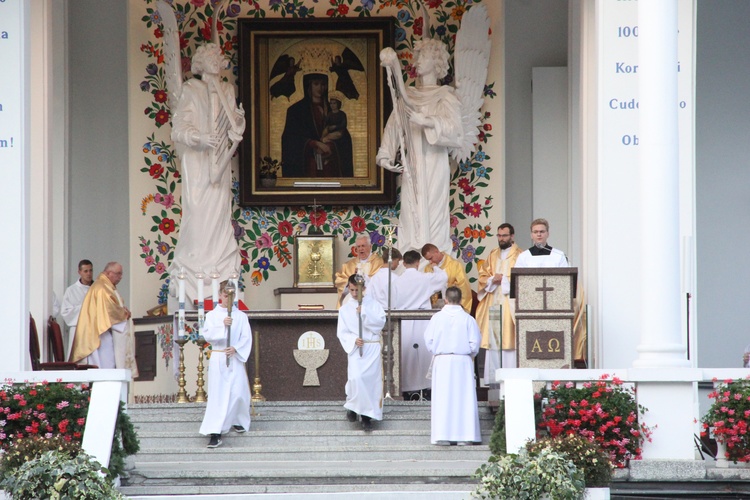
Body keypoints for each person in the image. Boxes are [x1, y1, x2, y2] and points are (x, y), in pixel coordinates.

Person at [169, 43, 245, 303]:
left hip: (219, 164)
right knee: (199, 215)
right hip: (198, 163)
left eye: (218, 56)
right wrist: (200, 137)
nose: (216, 59)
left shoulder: (227, 90)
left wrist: (236, 130)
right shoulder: (191, 89)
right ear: (200, 62)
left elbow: (233, 123)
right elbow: (177, 129)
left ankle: (221, 273)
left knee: (221, 214)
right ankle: (195, 270)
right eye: (210, 56)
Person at [376, 39, 463, 254]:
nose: (418, 62)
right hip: (413, 163)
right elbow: (394, 124)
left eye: (423, 56)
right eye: (418, 57)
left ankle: (435, 256)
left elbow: (456, 133)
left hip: (434, 161)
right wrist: (386, 153)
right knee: (411, 209)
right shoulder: (409, 95)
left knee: (434, 209)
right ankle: (412, 256)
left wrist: (426, 121)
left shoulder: (445, 96)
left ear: (436, 61)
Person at [424, 286, 482, 445]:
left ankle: (443, 435)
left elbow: (428, 341)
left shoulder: (437, 318)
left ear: (446, 300)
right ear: (461, 300)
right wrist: (466, 353)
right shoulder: (468, 319)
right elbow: (475, 343)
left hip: (442, 362)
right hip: (463, 362)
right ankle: (465, 437)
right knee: (463, 399)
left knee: (444, 398)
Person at [199, 280, 253, 448]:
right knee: (219, 395)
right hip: (218, 357)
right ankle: (216, 432)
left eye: (231, 296)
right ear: (220, 295)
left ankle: (237, 419)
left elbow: (246, 337)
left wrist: (236, 348)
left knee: (238, 392)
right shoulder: (212, 315)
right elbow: (207, 335)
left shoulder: (241, 316)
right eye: (225, 295)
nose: (228, 299)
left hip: (234, 358)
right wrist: (222, 327)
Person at [394, 250, 447, 399]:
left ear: (404, 263)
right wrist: (435, 266)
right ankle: (425, 390)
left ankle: (406, 390)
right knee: (423, 356)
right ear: (418, 262)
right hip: (422, 322)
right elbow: (443, 277)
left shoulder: (396, 281)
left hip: (403, 322)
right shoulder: (425, 279)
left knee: (406, 355)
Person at [69, 262, 138, 376]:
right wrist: (124, 313)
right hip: (99, 336)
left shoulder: (104, 285)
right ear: (109, 273)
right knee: (106, 369)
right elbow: (109, 310)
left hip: (102, 332)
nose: (120, 277)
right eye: (118, 274)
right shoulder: (102, 288)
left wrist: (122, 311)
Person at [337, 274, 386, 432]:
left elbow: (379, 324)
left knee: (370, 382)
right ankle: (352, 406)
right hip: (357, 349)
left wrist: (364, 312)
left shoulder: (374, 305)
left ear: (363, 288)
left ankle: (366, 417)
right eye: (351, 290)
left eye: (356, 290)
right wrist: (353, 340)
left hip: (371, 347)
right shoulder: (344, 309)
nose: (353, 294)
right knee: (356, 378)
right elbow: (342, 332)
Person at [281, 73, 354, 178]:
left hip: (331, 165)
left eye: (323, 84)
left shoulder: (333, 110)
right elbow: (289, 139)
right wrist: (313, 143)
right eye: (316, 84)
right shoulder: (296, 110)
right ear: (308, 86)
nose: (320, 88)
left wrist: (331, 145)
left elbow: (344, 137)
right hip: (308, 165)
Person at [475, 224, 523, 372]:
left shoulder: (521, 255)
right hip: (493, 302)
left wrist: (503, 279)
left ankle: (511, 376)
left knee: (510, 339)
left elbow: (522, 278)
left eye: (505, 236)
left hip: (510, 304)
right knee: (493, 339)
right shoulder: (493, 254)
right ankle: (494, 377)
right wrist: (491, 280)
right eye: (499, 236)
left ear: (512, 236)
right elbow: (483, 275)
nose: (501, 239)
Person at [334, 234, 384, 307]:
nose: (360, 249)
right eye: (358, 246)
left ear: (370, 247)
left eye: (363, 246)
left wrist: (364, 277)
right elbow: (340, 282)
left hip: (371, 303)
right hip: (352, 304)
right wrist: (351, 280)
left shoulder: (379, 263)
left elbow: (381, 283)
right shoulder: (348, 265)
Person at [421, 243, 472, 313]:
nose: (430, 262)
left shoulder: (455, 265)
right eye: (428, 260)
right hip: (435, 310)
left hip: (453, 307)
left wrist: (461, 309)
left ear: (437, 251)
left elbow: (464, 288)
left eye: (430, 258)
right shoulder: (428, 268)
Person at [61, 259, 94, 360]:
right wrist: (86, 308)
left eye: (91, 270)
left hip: (95, 331)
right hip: (78, 331)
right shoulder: (71, 290)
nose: (89, 274)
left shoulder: (98, 289)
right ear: (79, 272)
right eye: (85, 271)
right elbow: (66, 312)